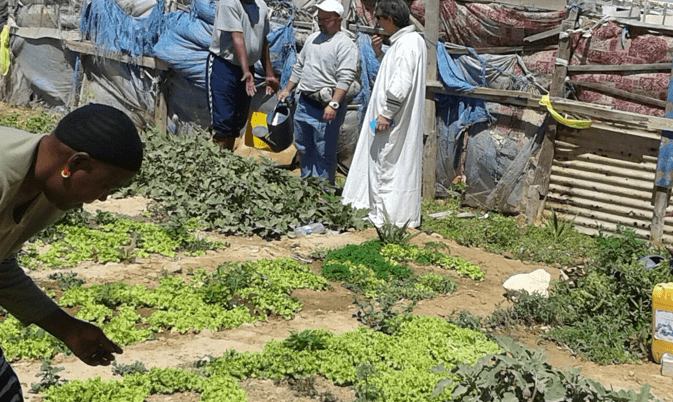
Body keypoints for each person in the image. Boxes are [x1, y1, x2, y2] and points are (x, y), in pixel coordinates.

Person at [0, 104, 144, 400]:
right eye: (106, 184)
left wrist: (67, 328)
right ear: (76, 164)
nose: (103, 197)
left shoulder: (47, 194)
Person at [341, 0, 426, 227]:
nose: (378, 24)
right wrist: (379, 54)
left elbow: (401, 83)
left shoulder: (409, 43)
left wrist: (386, 113)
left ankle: (387, 215)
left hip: (390, 120)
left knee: (386, 164)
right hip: (390, 118)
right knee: (384, 162)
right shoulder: (405, 43)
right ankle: (379, 210)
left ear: (390, 19)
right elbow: (392, 74)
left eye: (379, 19)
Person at [277, 0, 358, 186]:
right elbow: (299, 67)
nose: (321, 22)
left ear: (339, 19)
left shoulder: (345, 45)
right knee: (304, 147)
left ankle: (323, 194)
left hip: (326, 107)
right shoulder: (312, 39)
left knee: (324, 152)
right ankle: (306, 186)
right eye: (319, 18)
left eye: (326, 19)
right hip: (305, 103)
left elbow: (345, 78)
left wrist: (334, 104)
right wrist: (287, 89)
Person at [207, 0, 279, 151]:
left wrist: (269, 72)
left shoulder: (261, 6)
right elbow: (237, 36)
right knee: (223, 120)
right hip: (225, 66)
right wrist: (246, 72)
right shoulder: (229, 3)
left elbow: (263, 40)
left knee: (238, 119)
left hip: (247, 68)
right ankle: (217, 161)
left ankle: (228, 158)